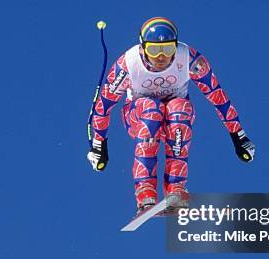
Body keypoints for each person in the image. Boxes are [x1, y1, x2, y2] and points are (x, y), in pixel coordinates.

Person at [87, 17, 255, 214]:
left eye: (167, 49)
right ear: (142, 48)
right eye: (153, 49)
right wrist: (99, 146)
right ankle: (145, 193)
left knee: (179, 108)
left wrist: (238, 137)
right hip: (138, 116)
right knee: (152, 109)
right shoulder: (128, 64)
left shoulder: (189, 59)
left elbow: (217, 97)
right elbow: (103, 106)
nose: (161, 57)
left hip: (174, 120)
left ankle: (176, 190)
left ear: (176, 46)